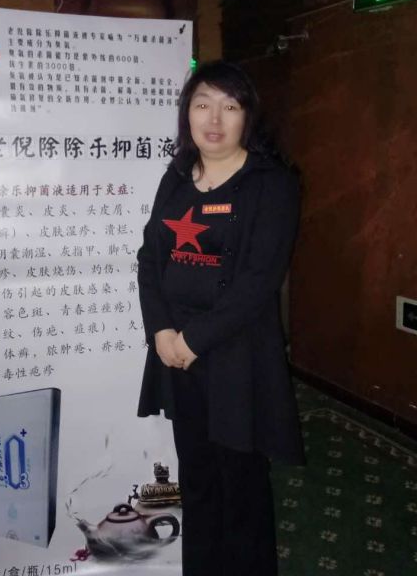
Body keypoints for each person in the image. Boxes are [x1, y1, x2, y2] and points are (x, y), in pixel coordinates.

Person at [136, 60, 305, 576]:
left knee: (243, 486)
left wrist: (193, 340)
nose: (214, 119)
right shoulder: (175, 178)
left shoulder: (272, 185)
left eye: (230, 106)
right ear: (186, 113)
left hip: (238, 357)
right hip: (177, 356)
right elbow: (149, 259)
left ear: (247, 116)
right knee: (198, 480)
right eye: (203, 104)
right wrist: (161, 331)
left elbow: (259, 282)